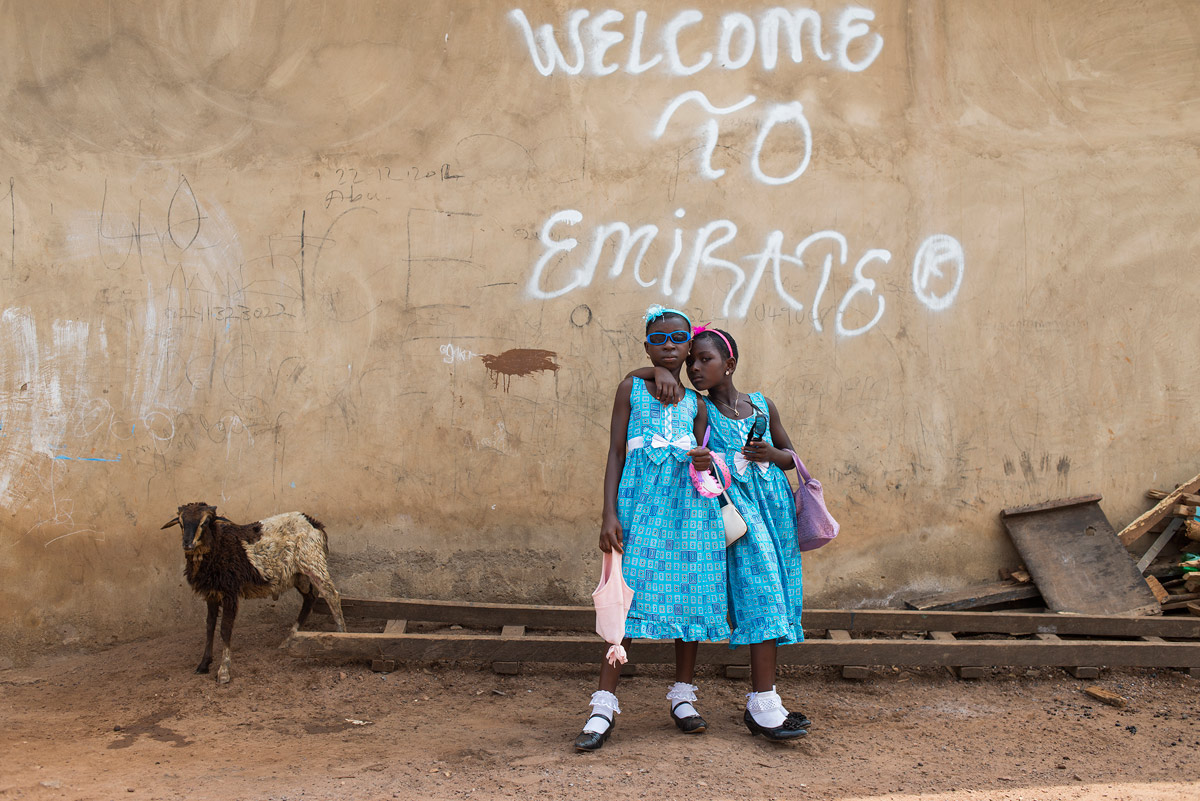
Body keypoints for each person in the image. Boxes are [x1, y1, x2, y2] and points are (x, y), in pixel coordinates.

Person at [635, 326, 810, 741]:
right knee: (762, 591)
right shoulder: (697, 408)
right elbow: (646, 378)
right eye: (690, 361)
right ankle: (763, 704)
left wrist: (771, 453)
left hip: (774, 511)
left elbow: (792, 457)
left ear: (729, 364)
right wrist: (655, 370)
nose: (694, 368)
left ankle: (763, 702)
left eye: (704, 360)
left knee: (770, 594)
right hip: (730, 513)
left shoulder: (762, 406)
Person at [573, 306, 731, 752]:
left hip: (689, 515)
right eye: (658, 340)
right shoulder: (631, 388)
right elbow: (615, 455)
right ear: (646, 346)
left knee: (690, 594)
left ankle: (682, 697)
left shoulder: (699, 404)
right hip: (639, 511)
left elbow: (711, 466)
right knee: (623, 598)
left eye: (677, 339)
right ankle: (603, 705)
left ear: (688, 346)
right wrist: (609, 514)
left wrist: (707, 461)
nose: (668, 347)